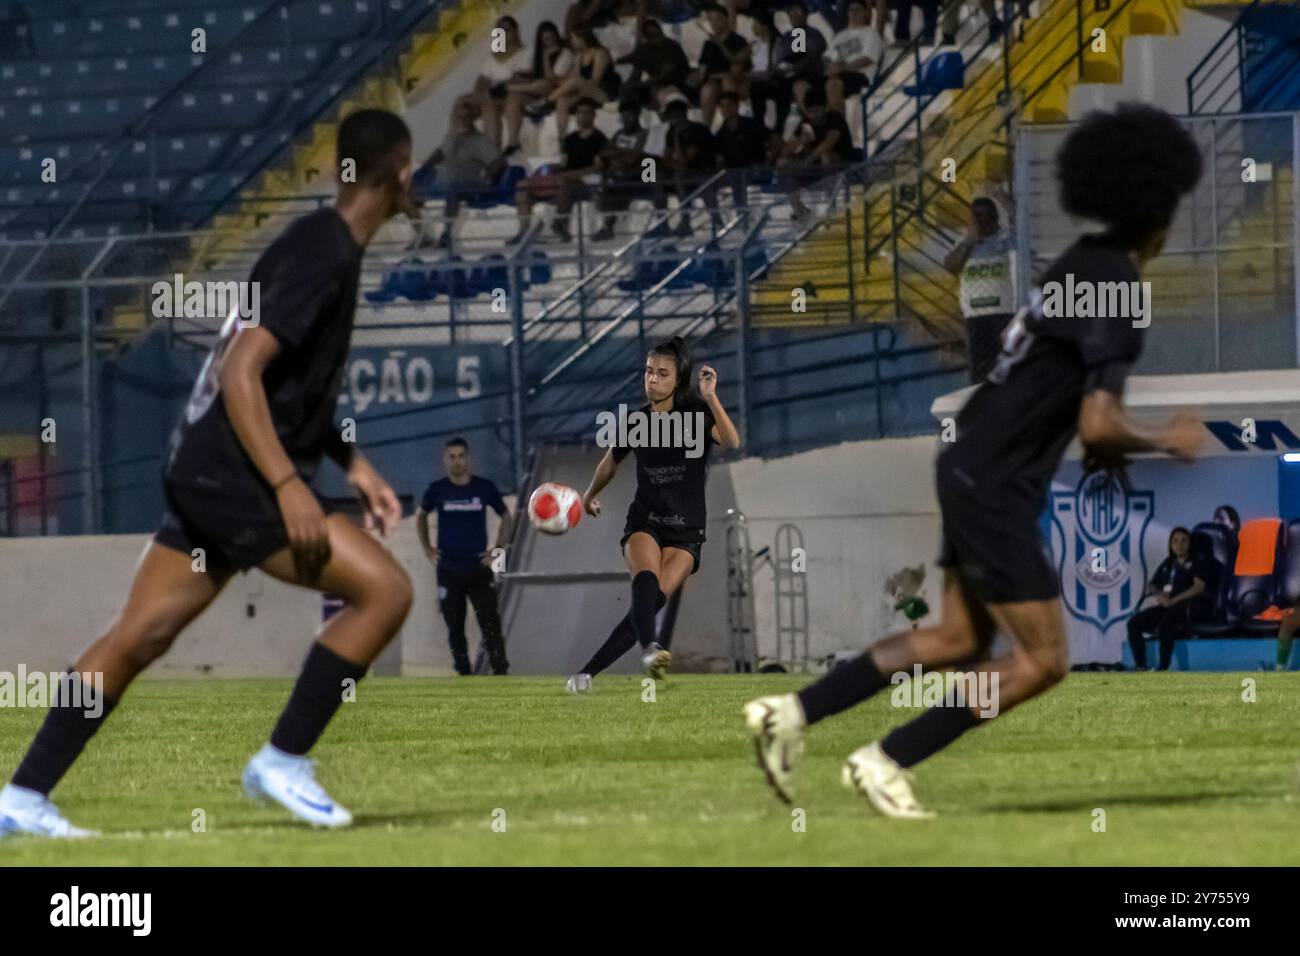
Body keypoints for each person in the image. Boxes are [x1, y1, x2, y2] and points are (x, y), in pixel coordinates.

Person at [744, 103, 1204, 818]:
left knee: (958, 637)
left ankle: (790, 715)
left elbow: (1065, 403)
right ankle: (886, 758)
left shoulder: (1077, 267)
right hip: (996, 479)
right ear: (1159, 212)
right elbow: (1100, 422)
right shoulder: (1117, 285)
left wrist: (1103, 440)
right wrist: (1163, 439)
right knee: (1044, 661)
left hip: (967, 455)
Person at [0, 109, 419, 837]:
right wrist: (290, 486)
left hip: (204, 470)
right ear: (401, 175)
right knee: (385, 590)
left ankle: (21, 796)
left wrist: (353, 465)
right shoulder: (326, 255)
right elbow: (241, 372)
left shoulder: (317, 243)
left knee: (141, 634)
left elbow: (288, 390)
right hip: (236, 479)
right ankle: (283, 761)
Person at [567, 336, 741, 692]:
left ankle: (584, 675)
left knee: (647, 606)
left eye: (662, 373)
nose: (653, 379)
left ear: (678, 380)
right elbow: (610, 463)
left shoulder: (695, 415)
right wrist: (588, 496)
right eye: (649, 371)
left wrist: (711, 397)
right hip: (646, 522)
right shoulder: (636, 422)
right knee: (644, 582)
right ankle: (650, 649)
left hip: (687, 530)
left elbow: (732, 441)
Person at [416, 438, 513, 676]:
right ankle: (463, 672)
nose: (457, 461)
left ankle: (500, 671)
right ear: (445, 460)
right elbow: (421, 516)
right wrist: (427, 547)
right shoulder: (437, 490)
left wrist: (498, 548)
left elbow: (506, 517)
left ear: (469, 458)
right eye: (452, 456)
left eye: (461, 456)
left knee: (490, 622)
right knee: (454, 626)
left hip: (479, 568)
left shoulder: (484, 487)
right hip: (448, 570)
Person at [511, 97, 608, 242]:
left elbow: (597, 168)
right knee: (522, 185)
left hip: (585, 180)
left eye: (587, 112)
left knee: (564, 182)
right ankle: (524, 232)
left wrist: (570, 175)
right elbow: (563, 163)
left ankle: (560, 226)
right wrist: (554, 171)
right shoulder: (570, 139)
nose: (583, 116)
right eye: (580, 112)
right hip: (564, 176)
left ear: (594, 115)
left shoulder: (600, 139)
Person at [944, 192, 1016, 383]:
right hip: (975, 314)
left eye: (983, 215)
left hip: (1002, 311)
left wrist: (1011, 209)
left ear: (994, 217)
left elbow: (1021, 238)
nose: (979, 221)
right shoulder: (965, 242)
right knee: (979, 370)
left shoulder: (1004, 239)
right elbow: (951, 265)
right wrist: (969, 242)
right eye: (975, 215)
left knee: (1005, 364)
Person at [415, 97, 506, 248]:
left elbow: (499, 162)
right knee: (409, 193)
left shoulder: (481, 140)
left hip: (468, 184)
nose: (462, 120)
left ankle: (447, 234)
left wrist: (488, 176)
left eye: (465, 116)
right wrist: (425, 165)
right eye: (459, 116)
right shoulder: (452, 134)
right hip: (441, 181)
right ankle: (423, 237)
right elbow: (441, 151)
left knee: (453, 193)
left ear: (472, 118)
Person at [1126, 527, 1212, 671]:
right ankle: (1141, 666)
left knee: (1164, 625)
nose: (1180, 545)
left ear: (1190, 543)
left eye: (1184, 541)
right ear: (1171, 545)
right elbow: (1151, 585)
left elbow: (1199, 587)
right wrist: (1159, 594)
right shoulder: (1168, 563)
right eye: (1175, 541)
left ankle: (1163, 668)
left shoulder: (1197, 563)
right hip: (1166, 607)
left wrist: (1174, 600)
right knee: (1133, 623)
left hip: (1186, 608)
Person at [779, 88, 855, 219]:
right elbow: (787, 149)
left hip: (841, 164)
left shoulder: (835, 118)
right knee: (783, 163)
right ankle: (800, 210)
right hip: (813, 166)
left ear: (825, 108)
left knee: (825, 156)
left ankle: (832, 206)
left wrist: (807, 161)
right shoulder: (806, 123)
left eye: (817, 111)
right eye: (810, 112)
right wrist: (801, 141)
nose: (814, 115)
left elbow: (828, 143)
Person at [650, 97, 721, 237]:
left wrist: (677, 137)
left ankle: (685, 222)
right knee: (654, 175)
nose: (671, 118)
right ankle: (661, 223)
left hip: (704, 172)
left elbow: (685, 161)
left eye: (673, 115)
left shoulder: (697, 130)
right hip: (684, 171)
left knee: (679, 176)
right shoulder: (671, 131)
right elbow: (668, 157)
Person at [539, 27, 622, 138]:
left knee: (576, 82)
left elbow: (595, 81)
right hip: (586, 94)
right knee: (563, 100)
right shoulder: (579, 56)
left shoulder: (600, 53)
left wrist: (575, 84)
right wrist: (561, 82)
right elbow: (574, 79)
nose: (572, 42)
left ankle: (547, 102)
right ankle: (562, 139)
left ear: (582, 38)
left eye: (574, 39)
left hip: (604, 93)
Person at [594, 99, 659, 240]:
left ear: (637, 115)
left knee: (618, 180)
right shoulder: (619, 134)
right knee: (609, 178)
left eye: (629, 116)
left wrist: (617, 155)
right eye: (623, 117)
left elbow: (636, 157)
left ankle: (608, 227)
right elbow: (604, 152)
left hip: (643, 175)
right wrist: (620, 155)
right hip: (621, 174)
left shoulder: (645, 134)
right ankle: (607, 227)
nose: (626, 120)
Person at [507, 21, 573, 149]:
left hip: (555, 92)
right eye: (545, 39)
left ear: (557, 36)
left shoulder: (565, 53)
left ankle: (514, 90)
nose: (549, 42)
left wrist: (546, 57)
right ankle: (513, 141)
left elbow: (551, 79)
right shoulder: (538, 53)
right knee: (513, 97)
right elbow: (534, 73)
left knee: (541, 84)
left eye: (551, 38)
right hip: (538, 94)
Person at [713, 90, 779, 208]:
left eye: (730, 104)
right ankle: (741, 212)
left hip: (756, 169)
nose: (726, 109)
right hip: (735, 174)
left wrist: (770, 161)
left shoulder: (751, 124)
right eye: (723, 106)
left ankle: (742, 212)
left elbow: (774, 138)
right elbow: (720, 159)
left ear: (737, 105)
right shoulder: (720, 134)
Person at [473, 15, 532, 148]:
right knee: (480, 105)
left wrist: (492, 91)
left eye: (507, 30)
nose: (504, 34)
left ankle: (509, 144)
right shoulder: (492, 57)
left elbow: (520, 78)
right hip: (495, 97)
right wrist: (479, 93)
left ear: (516, 31)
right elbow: (482, 80)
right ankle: (493, 152)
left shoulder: (527, 53)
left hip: (516, 94)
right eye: (500, 30)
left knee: (500, 100)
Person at [692, 2, 752, 127]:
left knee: (727, 80)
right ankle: (706, 127)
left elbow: (737, 69)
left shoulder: (738, 41)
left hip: (736, 81)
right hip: (713, 81)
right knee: (707, 89)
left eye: (717, 18)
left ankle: (731, 122)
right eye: (711, 20)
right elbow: (703, 70)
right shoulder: (708, 44)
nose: (714, 23)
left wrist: (720, 45)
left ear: (725, 19)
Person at [618, 17, 693, 109]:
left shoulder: (672, 47)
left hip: (678, 82)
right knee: (626, 89)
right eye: (653, 35)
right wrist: (632, 84)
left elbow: (665, 74)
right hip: (655, 83)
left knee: (658, 90)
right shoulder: (643, 50)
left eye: (659, 34)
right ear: (647, 38)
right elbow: (636, 70)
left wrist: (645, 84)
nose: (659, 38)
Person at [825, 0, 883, 117]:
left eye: (858, 9)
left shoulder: (871, 34)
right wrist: (830, 66)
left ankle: (838, 127)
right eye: (851, 10)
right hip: (838, 72)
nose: (854, 13)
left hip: (860, 75)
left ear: (865, 13)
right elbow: (828, 57)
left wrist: (842, 67)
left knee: (833, 84)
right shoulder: (840, 35)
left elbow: (867, 59)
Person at [773, 1, 828, 119]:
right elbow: (778, 60)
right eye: (791, 13)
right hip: (787, 76)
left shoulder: (813, 33)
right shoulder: (785, 37)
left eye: (797, 12)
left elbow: (814, 53)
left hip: (810, 74)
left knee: (799, 84)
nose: (794, 15)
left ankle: (811, 120)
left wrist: (795, 68)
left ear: (805, 14)